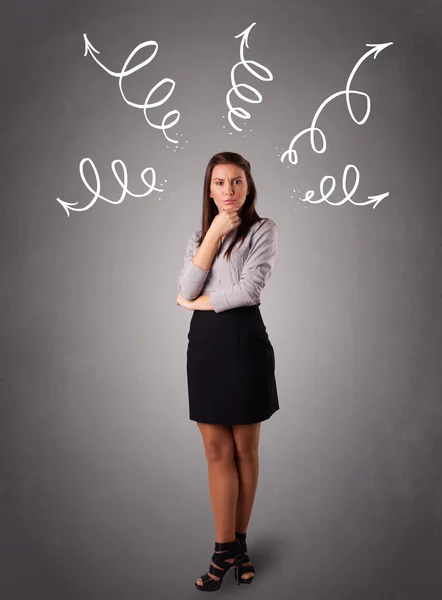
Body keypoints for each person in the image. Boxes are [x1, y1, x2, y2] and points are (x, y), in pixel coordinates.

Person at [176, 151, 280, 591]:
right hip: (206, 347)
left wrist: (195, 304)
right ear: (209, 188)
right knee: (216, 452)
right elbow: (184, 285)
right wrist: (215, 234)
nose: (228, 190)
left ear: (248, 185)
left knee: (244, 451)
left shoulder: (263, 230)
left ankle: (238, 544)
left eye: (236, 182)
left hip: (244, 342)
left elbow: (247, 290)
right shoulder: (201, 234)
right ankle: (225, 552)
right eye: (219, 183)